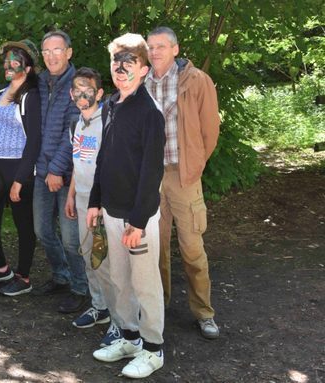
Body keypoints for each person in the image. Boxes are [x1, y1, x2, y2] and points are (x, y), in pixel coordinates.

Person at [86, 33, 166, 379]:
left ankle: (153, 349)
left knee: (145, 283)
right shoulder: (111, 106)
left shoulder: (150, 114)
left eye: (128, 63)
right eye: (116, 62)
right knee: (119, 281)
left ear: (144, 69)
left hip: (139, 216)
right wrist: (94, 201)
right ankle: (130, 338)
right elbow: (104, 157)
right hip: (111, 211)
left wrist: (138, 220)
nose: (120, 69)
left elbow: (152, 172)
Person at [145, 26, 221, 339]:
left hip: (184, 175)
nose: (154, 52)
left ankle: (204, 312)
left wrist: (196, 164)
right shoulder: (141, 81)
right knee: (155, 248)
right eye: (150, 47)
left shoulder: (196, 80)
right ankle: (157, 306)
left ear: (175, 49)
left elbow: (210, 130)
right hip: (150, 177)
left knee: (192, 248)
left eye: (161, 46)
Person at [0, 39, 41, 296]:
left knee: (23, 224)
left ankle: (24, 277)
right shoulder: (0, 93)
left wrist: (21, 179)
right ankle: (2, 268)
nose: (10, 64)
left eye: (17, 60)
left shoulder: (31, 96)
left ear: (29, 67)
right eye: (7, 60)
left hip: (18, 167)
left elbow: (34, 140)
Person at [32, 30, 89, 314]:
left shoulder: (79, 85)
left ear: (68, 52)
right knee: (42, 230)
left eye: (57, 50)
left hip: (68, 175)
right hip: (40, 171)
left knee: (71, 237)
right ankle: (60, 275)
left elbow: (75, 134)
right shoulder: (40, 83)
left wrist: (57, 169)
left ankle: (81, 287)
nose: (51, 56)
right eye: (46, 51)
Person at [62, 67, 112, 329]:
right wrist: (71, 195)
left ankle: (119, 315)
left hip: (102, 203)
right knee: (87, 255)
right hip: (80, 199)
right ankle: (99, 306)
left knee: (106, 259)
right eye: (78, 90)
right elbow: (76, 160)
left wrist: (102, 202)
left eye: (88, 90)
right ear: (71, 94)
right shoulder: (76, 122)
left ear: (99, 93)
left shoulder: (109, 121)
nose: (83, 95)